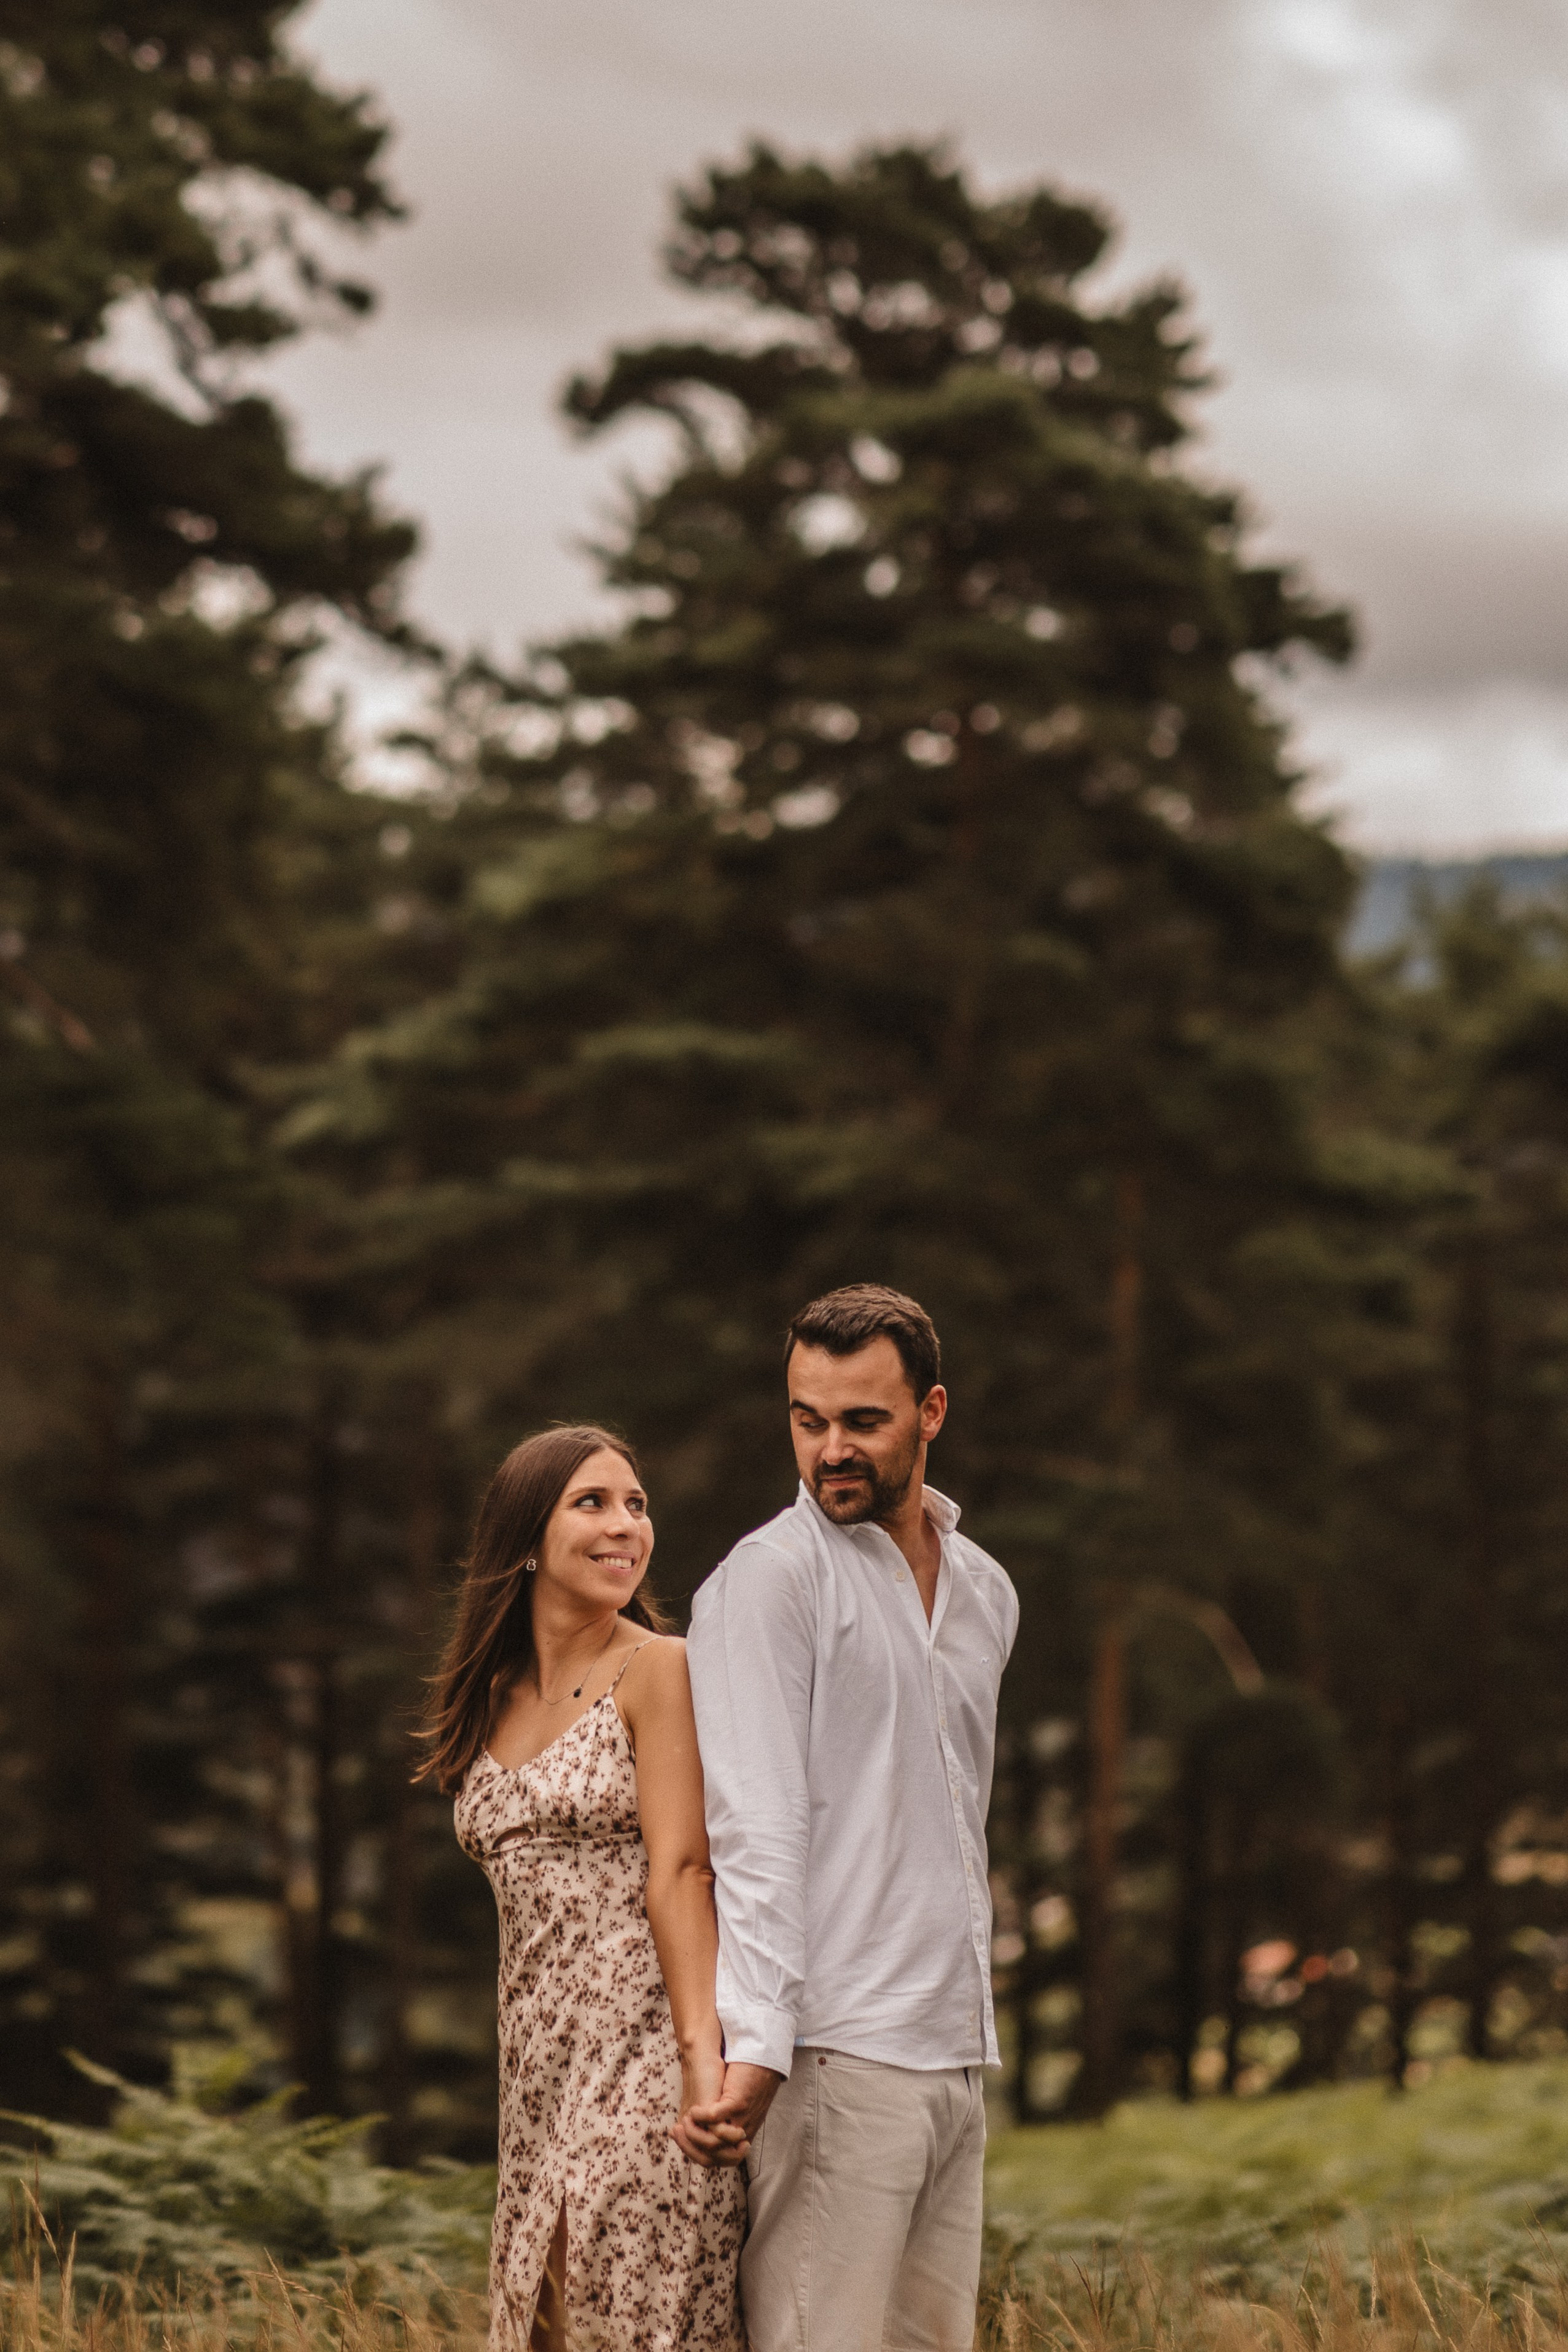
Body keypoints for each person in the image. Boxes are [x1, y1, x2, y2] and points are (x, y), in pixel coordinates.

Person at [686, 1284, 1019, 2352]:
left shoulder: (984, 1590)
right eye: (805, 1418)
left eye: (861, 1421)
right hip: (830, 2053)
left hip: (953, 2055)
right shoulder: (766, 1583)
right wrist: (763, 2041)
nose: (829, 1448)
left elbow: (951, 1820)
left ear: (930, 1412)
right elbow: (756, 1826)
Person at [419, 1424, 747, 2352]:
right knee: (539, 2328)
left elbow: (683, 1869)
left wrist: (700, 2068)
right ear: (526, 1539)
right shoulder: (487, 1697)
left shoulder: (656, 1668)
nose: (625, 1525)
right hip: (536, 2072)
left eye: (637, 1504)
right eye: (592, 1502)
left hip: (646, 2051)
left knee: (622, 2317)